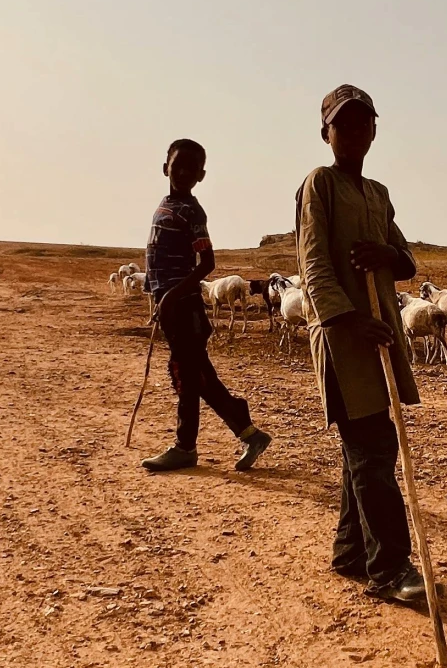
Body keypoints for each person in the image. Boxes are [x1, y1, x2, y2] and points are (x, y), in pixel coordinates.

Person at [295, 85, 427, 607]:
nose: (354, 133)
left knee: (370, 445)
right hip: (344, 337)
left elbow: (407, 261)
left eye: (363, 123)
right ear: (325, 133)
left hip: (378, 333)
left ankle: (352, 551)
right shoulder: (318, 185)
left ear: (374, 129)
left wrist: (387, 255)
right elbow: (312, 266)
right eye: (342, 125)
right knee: (372, 448)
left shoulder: (378, 193)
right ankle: (391, 567)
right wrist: (350, 323)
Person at [141, 138, 272, 475]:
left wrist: (170, 296)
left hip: (185, 309)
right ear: (165, 167)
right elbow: (155, 258)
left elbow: (207, 262)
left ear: (201, 175)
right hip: (171, 307)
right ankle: (248, 432)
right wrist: (156, 296)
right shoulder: (165, 205)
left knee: (188, 377)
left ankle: (186, 447)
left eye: (191, 167)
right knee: (198, 377)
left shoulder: (192, 211)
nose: (183, 171)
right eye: (177, 164)